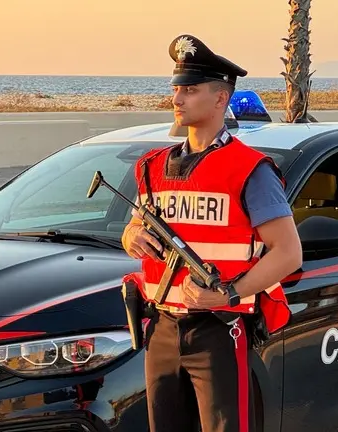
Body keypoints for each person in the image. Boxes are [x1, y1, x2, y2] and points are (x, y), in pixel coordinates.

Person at [120, 34, 302, 432]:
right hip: (162, 327)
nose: (177, 98)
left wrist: (229, 293)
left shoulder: (250, 170)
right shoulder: (151, 166)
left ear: (221, 98)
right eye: (175, 89)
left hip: (219, 329)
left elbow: (288, 253)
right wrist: (129, 235)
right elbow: (137, 224)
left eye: (190, 89)